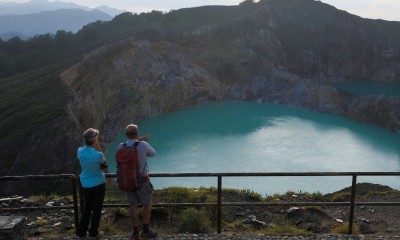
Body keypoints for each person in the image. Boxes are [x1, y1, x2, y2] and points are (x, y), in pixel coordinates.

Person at [118, 124, 157, 239]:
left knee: (133, 206)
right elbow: (153, 153)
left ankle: (134, 232)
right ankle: (145, 231)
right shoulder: (143, 145)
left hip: (127, 180)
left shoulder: (121, 146)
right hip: (142, 181)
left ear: (126, 135)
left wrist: (136, 140)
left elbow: (130, 144)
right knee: (147, 204)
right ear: (137, 133)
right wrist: (140, 141)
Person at [77, 128, 107, 240]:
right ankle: (93, 233)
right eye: (97, 138)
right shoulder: (97, 155)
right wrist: (99, 148)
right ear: (94, 140)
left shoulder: (80, 151)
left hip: (85, 182)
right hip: (98, 183)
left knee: (86, 208)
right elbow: (104, 164)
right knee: (96, 209)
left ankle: (81, 233)